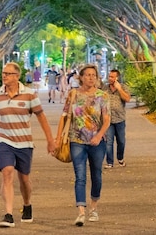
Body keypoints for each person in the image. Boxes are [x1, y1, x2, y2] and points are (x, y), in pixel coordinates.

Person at [0, 62, 56, 228]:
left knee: (24, 179)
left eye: (8, 74)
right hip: (5, 141)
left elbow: (41, 117)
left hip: (24, 143)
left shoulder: (29, 95)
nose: (4, 76)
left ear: (17, 76)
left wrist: (50, 140)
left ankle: (27, 203)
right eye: (3, 73)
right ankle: (8, 214)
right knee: (7, 172)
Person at [63, 64, 110, 226]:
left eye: (93, 75)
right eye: (87, 75)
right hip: (77, 140)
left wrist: (99, 135)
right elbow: (65, 117)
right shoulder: (73, 94)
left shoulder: (102, 96)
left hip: (97, 142)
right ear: (81, 77)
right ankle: (81, 212)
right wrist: (57, 139)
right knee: (80, 176)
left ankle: (94, 207)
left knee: (96, 175)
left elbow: (107, 120)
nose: (91, 77)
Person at [100, 69, 131, 168]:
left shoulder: (123, 87)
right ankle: (110, 162)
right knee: (108, 142)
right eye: (109, 76)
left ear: (117, 78)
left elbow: (127, 99)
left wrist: (119, 89)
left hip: (120, 119)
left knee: (121, 141)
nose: (110, 78)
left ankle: (120, 158)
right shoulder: (105, 88)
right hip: (108, 120)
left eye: (112, 77)